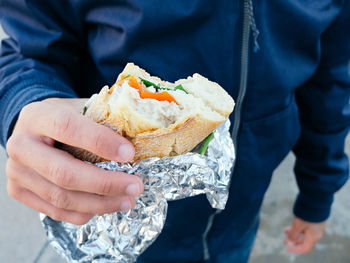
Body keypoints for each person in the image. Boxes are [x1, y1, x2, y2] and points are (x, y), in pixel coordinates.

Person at [0, 1, 349, 262]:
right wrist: (27, 102)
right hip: (113, 218)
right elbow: (28, 47)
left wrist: (318, 194)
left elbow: (331, 78)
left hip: (241, 211)